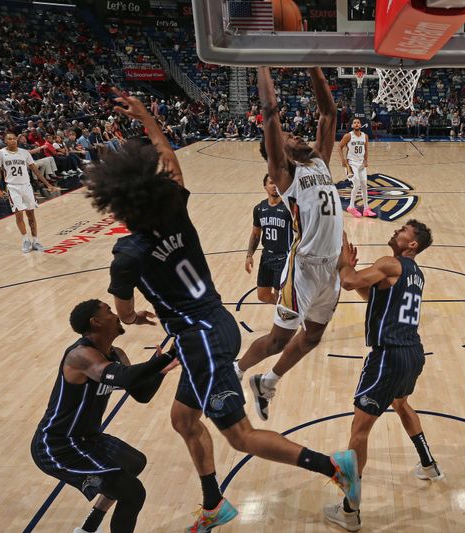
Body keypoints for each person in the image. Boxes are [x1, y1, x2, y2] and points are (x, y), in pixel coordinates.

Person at [85, 90, 359, 531]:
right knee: (183, 418)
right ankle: (214, 503)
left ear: (115, 206)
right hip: (217, 325)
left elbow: (124, 312)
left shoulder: (128, 253)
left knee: (241, 436)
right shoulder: (175, 209)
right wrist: (147, 118)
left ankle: (332, 466)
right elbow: (171, 162)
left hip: (201, 343)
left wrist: (134, 319)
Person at [234, 67, 343, 422]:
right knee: (279, 339)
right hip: (305, 266)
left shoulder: (320, 162)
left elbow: (328, 113)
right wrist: (263, 64)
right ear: (280, 150)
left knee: (312, 336)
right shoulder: (286, 175)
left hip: (330, 267)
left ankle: (267, 382)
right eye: (289, 135)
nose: (295, 135)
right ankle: (235, 371)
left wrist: (311, 63)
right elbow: (270, 114)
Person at [325, 223, 441, 531]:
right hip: (412, 352)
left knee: (359, 430)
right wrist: (354, 271)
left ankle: (350, 510)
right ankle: (429, 465)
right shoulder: (415, 272)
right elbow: (371, 294)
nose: (397, 231)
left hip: (388, 355)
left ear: (412, 244)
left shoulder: (390, 263)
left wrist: (344, 260)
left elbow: (349, 283)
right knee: (401, 405)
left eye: (404, 230)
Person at [31, 300, 179, 533]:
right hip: (58, 445)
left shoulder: (116, 354)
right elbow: (122, 377)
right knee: (133, 492)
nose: (114, 314)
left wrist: (160, 370)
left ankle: (88, 529)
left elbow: (141, 393)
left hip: (87, 439)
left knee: (134, 462)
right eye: (109, 311)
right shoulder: (80, 356)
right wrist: (169, 354)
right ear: (96, 322)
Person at [0, 132, 57, 253]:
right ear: (5, 141)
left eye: (14, 138)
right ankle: (25, 240)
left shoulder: (25, 153)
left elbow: (35, 170)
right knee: (19, 214)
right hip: (12, 187)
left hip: (26, 186)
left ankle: (35, 240)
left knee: (31, 215)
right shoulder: (0, 153)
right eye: (10, 139)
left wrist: (47, 184)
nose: (13, 141)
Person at [245, 174, 292, 304]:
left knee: (279, 296)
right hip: (266, 257)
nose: (275, 186)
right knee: (263, 295)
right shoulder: (259, 208)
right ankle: (290, 309)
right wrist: (249, 255)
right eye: (271, 183)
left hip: (283, 258)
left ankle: (287, 318)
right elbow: (255, 235)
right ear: (265, 187)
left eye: (277, 183)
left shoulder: (288, 208)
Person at [339, 118, 375, 218]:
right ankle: (351, 206)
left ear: (360, 125)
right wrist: (343, 160)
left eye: (358, 123)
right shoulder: (348, 136)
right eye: (354, 123)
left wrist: (366, 160)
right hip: (351, 163)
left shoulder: (365, 136)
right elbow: (339, 147)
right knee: (357, 184)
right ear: (352, 125)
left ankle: (366, 209)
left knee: (364, 185)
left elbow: (366, 150)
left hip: (361, 164)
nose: (356, 124)